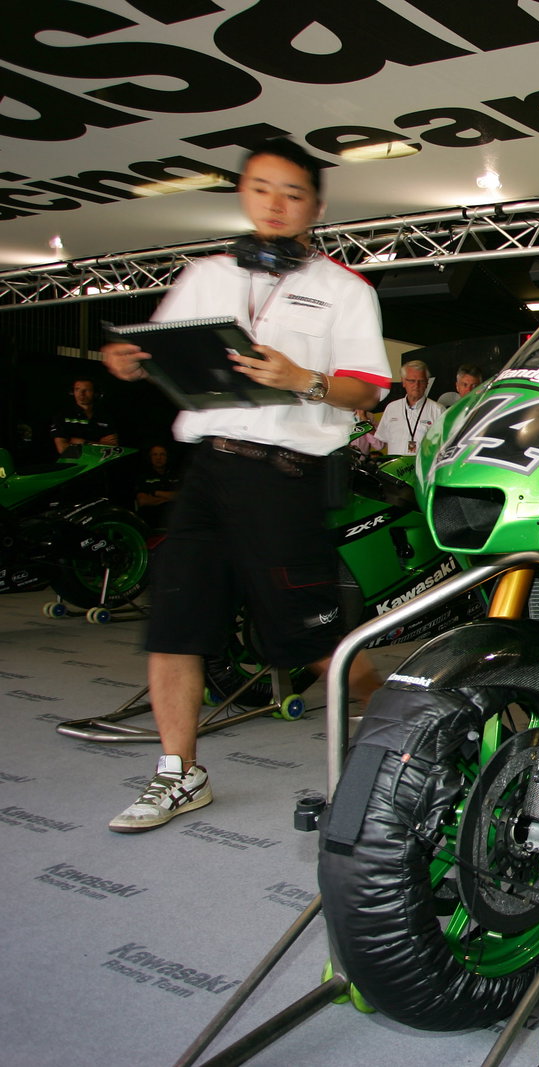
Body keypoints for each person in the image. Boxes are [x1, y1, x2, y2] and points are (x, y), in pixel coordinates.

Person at [100, 137, 391, 834]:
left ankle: (407, 734)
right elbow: (161, 352)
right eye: (261, 187)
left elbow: (364, 393)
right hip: (205, 473)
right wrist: (130, 361)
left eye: (291, 193)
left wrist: (303, 379)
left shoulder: (344, 290)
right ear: (243, 193)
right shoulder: (202, 276)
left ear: (315, 207)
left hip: (282, 480)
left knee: (318, 645)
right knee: (177, 624)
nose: (275, 203)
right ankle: (180, 772)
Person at [373, 360, 442, 455]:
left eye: (421, 381)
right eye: (412, 381)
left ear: (427, 383)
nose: (416, 385)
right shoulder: (391, 408)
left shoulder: (438, 410)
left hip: (422, 469)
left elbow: (444, 445)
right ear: (403, 382)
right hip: (395, 468)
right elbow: (381, 441)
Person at [51, 377, 118, 453]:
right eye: (77, 389)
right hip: (72, 463)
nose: (81, 393)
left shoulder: (104, 416)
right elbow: (63, 450)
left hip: (100, 463)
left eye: (87, 390)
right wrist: (100, 444)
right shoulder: (62, 415)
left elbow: (113, 448)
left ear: (95, 393)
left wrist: (84, 442)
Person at [133, 443, 180, 530]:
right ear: (150, 457)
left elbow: (181, 496)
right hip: (151, 519)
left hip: (175, 517)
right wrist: (168, 498)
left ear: (167, 457)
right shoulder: (144, 477)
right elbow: (143, 501)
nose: (158, 458)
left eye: (162, 454)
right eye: (155, 454)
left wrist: (156, 493)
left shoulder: (176, 475)